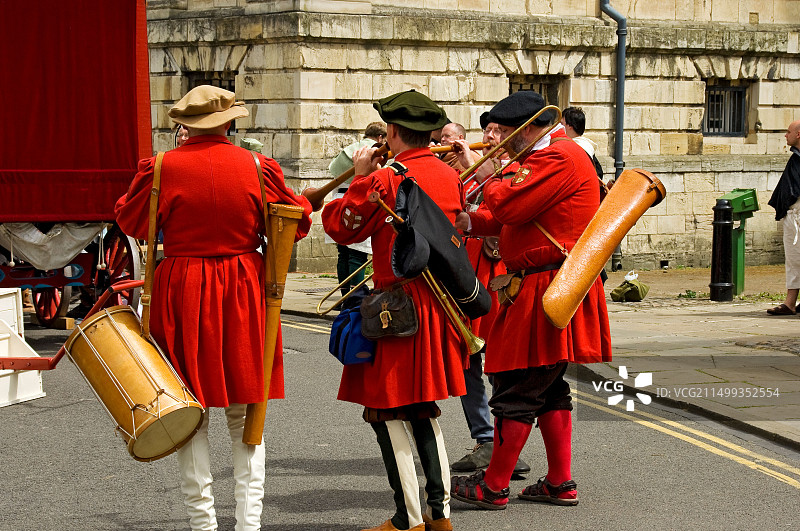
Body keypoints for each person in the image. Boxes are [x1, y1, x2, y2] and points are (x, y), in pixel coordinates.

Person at [115, 85, 312, 531]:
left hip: (182, 287)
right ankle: (249, 524)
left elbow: (128, 220)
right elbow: (296, 222)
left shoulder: (162, 167)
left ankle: (203, 525)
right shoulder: (259, 166)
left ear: (186, 125)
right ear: (229, 122)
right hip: (245, 286)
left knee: (189, 410)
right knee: (247, 411)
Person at [451, 90, 612, 510]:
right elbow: (517, 219)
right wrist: (469, 219)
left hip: (546, 284)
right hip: (542, 282)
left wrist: (484, 170)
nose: (501, 141)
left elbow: (509, 203)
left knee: (518, 387)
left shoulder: (558, 156)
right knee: (549, 388)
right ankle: (559, 482)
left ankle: (494, 485)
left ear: (530, 128)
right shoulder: (545, 158)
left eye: (507, 133)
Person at [321, 90, 464, 531]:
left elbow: (342, 226)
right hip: (436, 302)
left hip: (395, 306)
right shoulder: (448, 174)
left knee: (386, 413)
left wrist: (362, 176)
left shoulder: (387, 179)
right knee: (423, 407)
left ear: (395, 132)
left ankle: (408, 519)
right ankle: (440, 516)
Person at [448, 112, 529, 478]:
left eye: (498, 131)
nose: (491, 136)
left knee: (499, 366)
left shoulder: (514, 174)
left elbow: (505, 224)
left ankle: (502, 445)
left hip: (497, 282)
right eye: (487, 130)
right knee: (468, 363)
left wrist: (480, 173)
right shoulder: (466, 178)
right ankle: (485, 438)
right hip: (467, 281)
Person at [326, 122, 386, 295]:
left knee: (343, 253)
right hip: (359, 203)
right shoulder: (375, 152)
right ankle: (356, 296)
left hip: (338, 200)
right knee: (357, 255)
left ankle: (345, 295)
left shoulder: (350, 149)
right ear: (380, 137)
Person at [766, 119, 800, 316]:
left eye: (788, 132)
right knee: (794, 258)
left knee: (795, 257)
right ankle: (791, 301)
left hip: (797, 214)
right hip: (794, 214)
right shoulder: (795, 158)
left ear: (798, 135)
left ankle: (790, 303)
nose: (785, 135)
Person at [561, 106, 604, 181]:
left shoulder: (578, 147)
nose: (559, 126)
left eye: (561, 123)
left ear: (570, 126)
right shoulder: (586, 145)